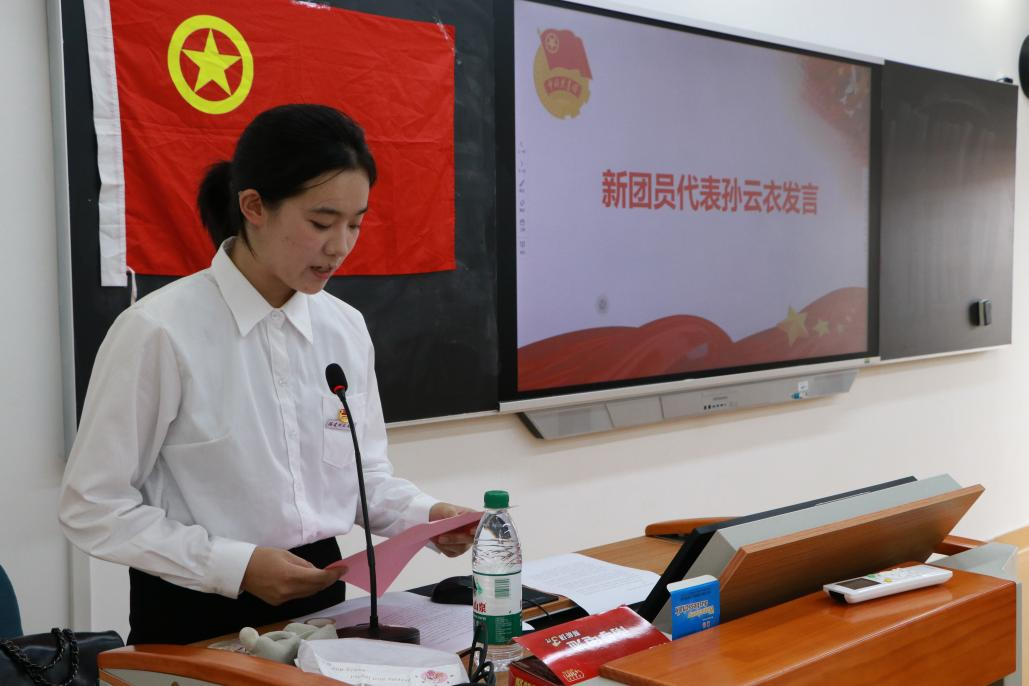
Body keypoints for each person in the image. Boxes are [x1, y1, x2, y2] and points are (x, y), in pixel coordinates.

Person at [59, 104, 474, 645]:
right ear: (253, 206)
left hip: (323, 597)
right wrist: (234, 565)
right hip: (194, 610)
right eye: (321, 222)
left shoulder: (344, 328)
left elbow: (360, 477)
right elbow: (92, 507)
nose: (340, 246)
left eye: (355, 223)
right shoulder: (158, 330)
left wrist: (427, 516)